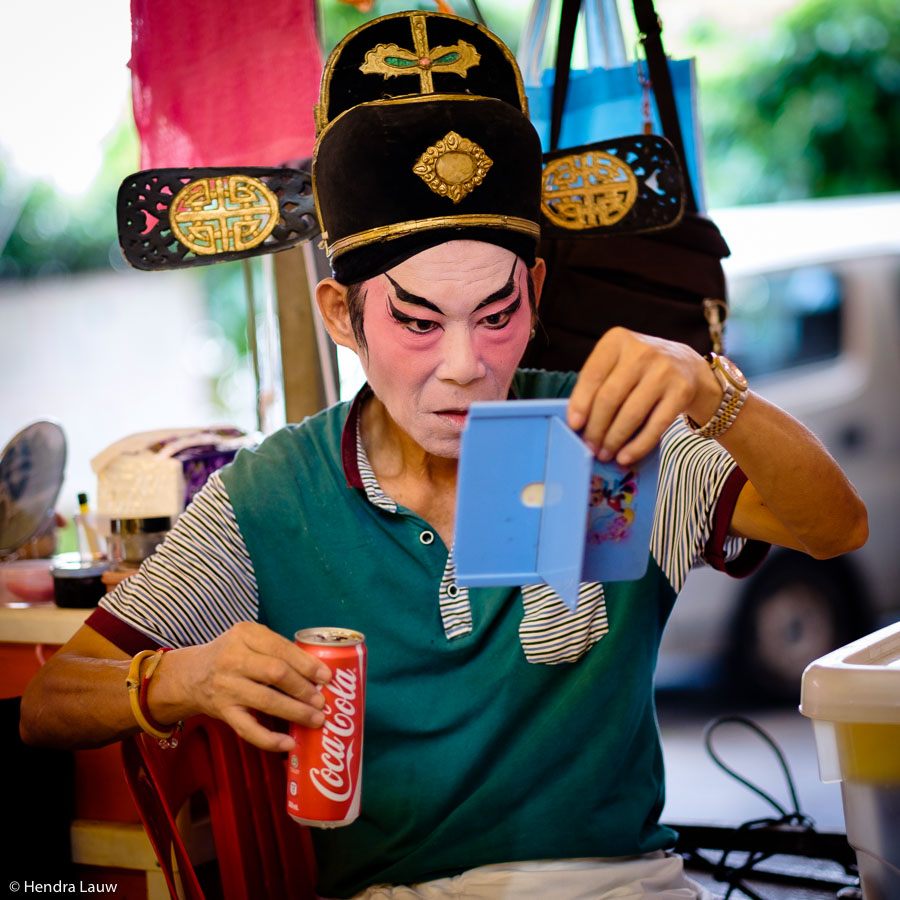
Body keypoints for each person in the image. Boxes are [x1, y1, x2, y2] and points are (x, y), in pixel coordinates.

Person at [20, 11, 867, 900]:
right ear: (342, 316)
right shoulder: (272, 498)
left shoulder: (602, 434)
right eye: (418, 323)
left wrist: (709, 387)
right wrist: (175, 677)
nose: (466, 365)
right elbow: (51, 705)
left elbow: (836, 527)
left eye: (497, 314)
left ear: (535, 290)